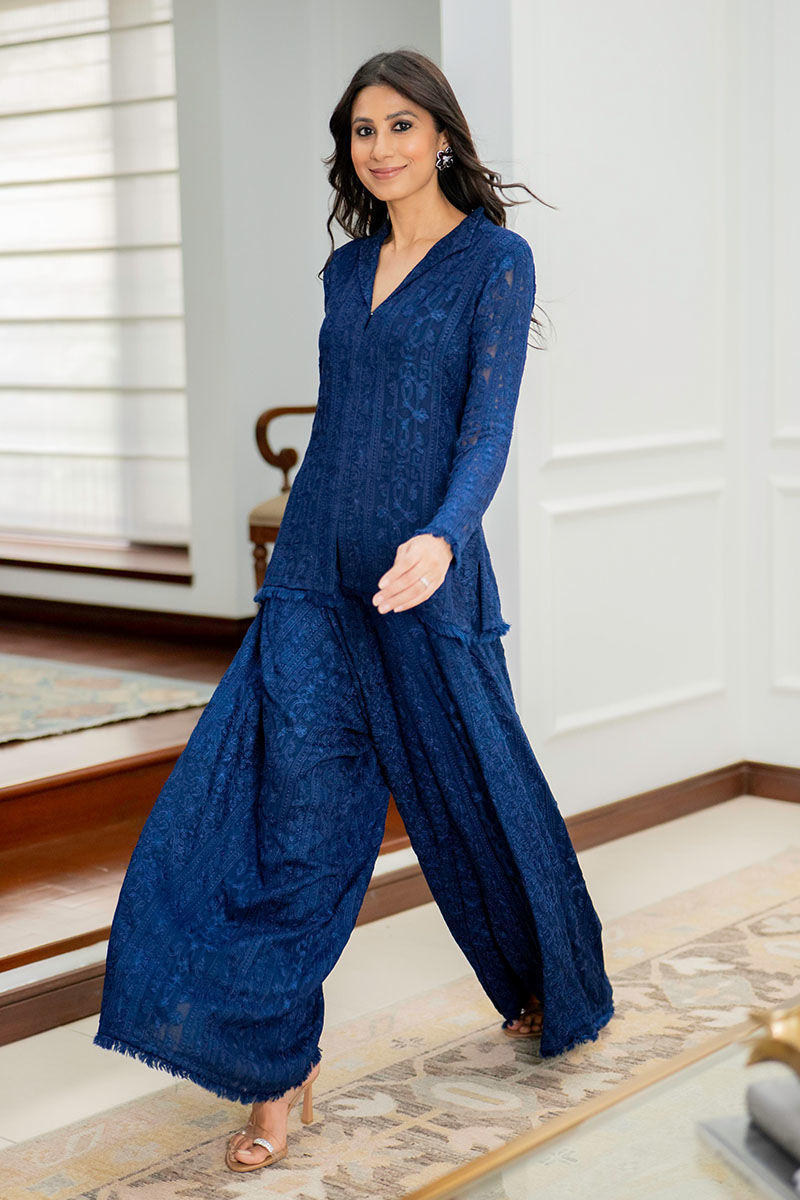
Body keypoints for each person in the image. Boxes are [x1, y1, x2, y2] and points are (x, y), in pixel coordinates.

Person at [93, 49, 614, 1174]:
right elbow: (338, 424)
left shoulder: (497, 262)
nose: (378, 148)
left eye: (398, 125)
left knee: (472, 792)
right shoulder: (344, 271)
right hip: (316, 582)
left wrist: (442, 536)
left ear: (441, 135)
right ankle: (278, 1074)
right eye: (361, 131)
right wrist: (294, 563)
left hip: (424, 580)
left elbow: (486, 428)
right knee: (293, 818)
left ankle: (544, 980)